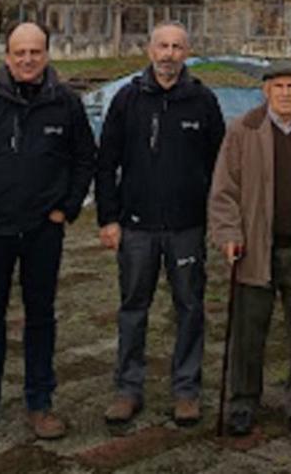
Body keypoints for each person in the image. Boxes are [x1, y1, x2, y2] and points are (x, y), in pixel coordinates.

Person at [0, 21, 97, 448]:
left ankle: (39, 403)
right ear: (7, 56)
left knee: (41, 318)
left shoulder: (65, 104)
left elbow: (86, 159)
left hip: (43, 232)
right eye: (20, 52)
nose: (28, 60)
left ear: (47, 54)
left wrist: (67, 208)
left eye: (35, 52)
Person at [208, 59, 291, 443]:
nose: (286, 93)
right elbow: (224, 191)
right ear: (265, 90)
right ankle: (242, 405)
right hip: (255, 250)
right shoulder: (243, 130)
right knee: (248, 335)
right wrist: (228, 234)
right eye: (279, 86)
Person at [95, 21, 225, 427]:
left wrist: (218, 220)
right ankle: (127, 389)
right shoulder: (127, 99)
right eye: (162, 46)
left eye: (177, 47)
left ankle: (186, 390)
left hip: (187, 228)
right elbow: (106, 163)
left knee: (190, 308)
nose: (169, 54)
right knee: (133, 309)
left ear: (187, 53)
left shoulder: (203, 101)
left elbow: (221, 166)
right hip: (136, 227)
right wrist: (108, 218)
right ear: (150, 50)